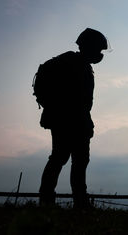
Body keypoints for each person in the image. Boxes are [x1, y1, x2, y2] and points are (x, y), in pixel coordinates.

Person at [38, 28, 108, 208]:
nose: (100, 53)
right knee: (60, 158)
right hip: (66, 121)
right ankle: (49, 200)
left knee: (77, 160)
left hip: (78, 122)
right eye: (98, 49)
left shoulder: (83, 66)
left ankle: (78, 200)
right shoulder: (71, 63)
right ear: (88, 47)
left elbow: (84, 102)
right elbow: (75, 99)